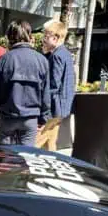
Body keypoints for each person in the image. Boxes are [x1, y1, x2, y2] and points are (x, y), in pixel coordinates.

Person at [0, 20, 49, 146]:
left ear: (9, 37)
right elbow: (45, 94)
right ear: (29, 36)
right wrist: (43, 118)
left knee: (4, 159)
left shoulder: (3, 61)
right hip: (30, 118)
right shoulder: (42, 61)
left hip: (7, 117)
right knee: (26, 159)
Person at [38, 19, 76, 151]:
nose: (43, 39)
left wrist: (45, 108)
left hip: (55, 107)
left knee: (38, 140)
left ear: (55, 38)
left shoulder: (57, 56)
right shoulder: (64, 53)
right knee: (50, 142)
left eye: (46, 36)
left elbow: (53, 85)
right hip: (62, 106)